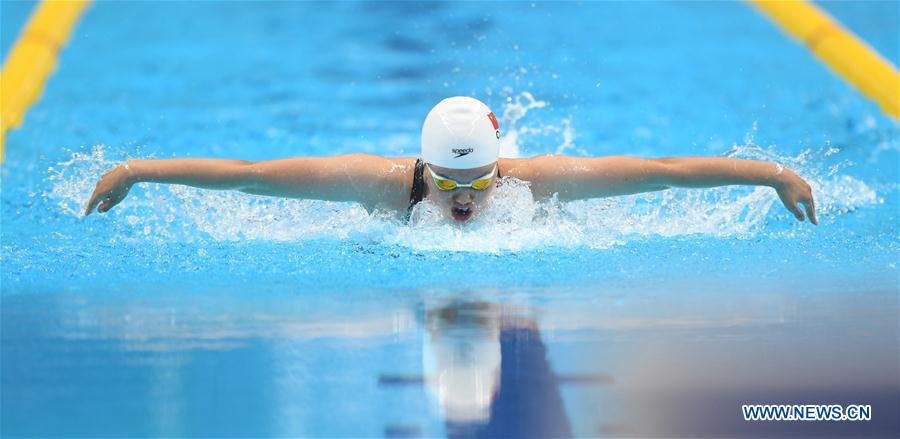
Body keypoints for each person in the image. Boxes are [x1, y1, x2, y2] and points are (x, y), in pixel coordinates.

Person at [84, 96, 817, 224]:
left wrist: (775, 175)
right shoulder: (380, 185)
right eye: (445, 181)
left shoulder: (536, 184)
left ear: (500, 167)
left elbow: (662, 171)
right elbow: (253, 179)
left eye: (479, 181)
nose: (464, 198)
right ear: (422, 168)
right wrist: (136, 171)